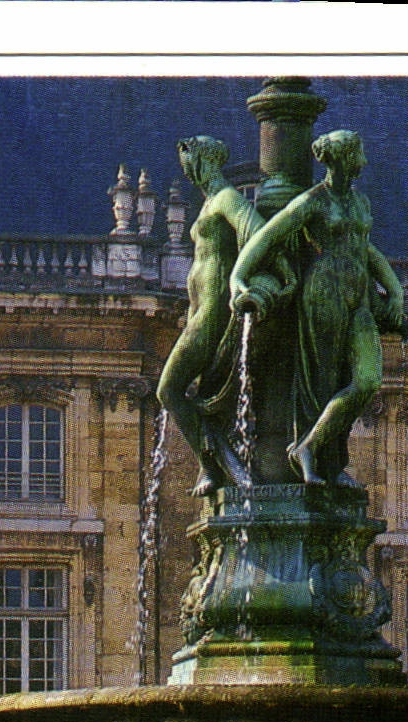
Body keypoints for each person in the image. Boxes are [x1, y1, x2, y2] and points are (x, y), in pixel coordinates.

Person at [229, 129, 408, 485]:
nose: (365, 161)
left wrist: (395, 291)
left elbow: (367, 250)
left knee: (366, 381)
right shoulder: (314, 200)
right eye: (359, 154)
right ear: (343, 158)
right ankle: (322, 462)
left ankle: (310, 446)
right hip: (324, 292)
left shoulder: (360, 202)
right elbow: (268, 236)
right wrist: (238, 278)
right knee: (322, 381)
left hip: (358, 296)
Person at [154, 136, 265, 493]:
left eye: (187, 158)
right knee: (178, 393)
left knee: (169, 389)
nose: (184, 167)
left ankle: (213, 465)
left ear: (201, 160)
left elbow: (257, 230)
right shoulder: (208, 205)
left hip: (215, 310)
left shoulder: (226, 198)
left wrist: (240, 278)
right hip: (200, 311)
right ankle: (220, 463)